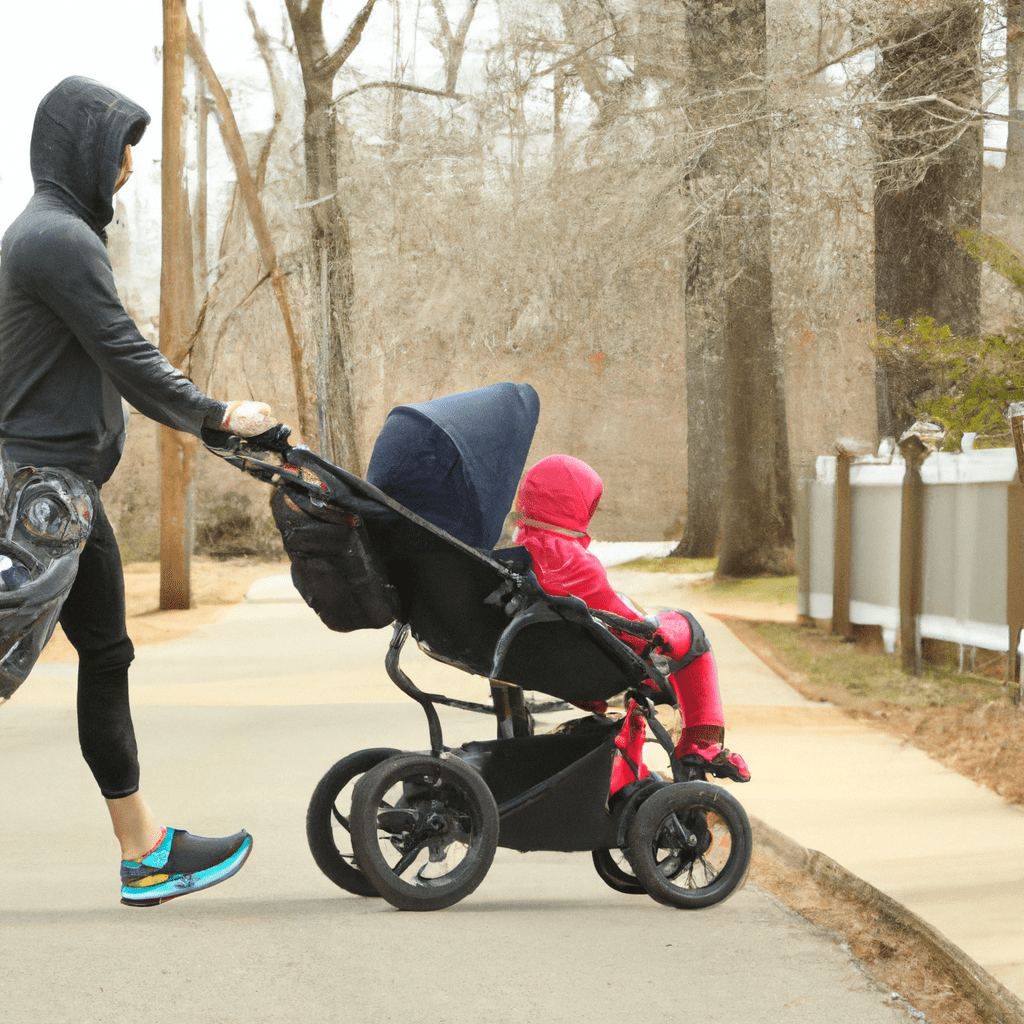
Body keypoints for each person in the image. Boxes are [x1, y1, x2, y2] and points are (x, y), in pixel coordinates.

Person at [0, 76, 278, 906]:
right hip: (41, 497)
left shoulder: (54, 236)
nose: (129, 161)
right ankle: (145, 849)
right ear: (81, 145)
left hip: (68, 493)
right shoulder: (53, 238)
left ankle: (145, 850)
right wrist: (216, 413)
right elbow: (126, 354)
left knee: (109, 654)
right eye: (121, 142)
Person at [512, 454, 750, 792]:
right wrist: (653, 629)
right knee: (691, 631)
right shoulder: (573, 562)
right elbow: (624, 622)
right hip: (597, 662)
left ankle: (636, 771)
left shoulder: (520, 549)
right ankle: (701, 743)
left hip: (557, 655)